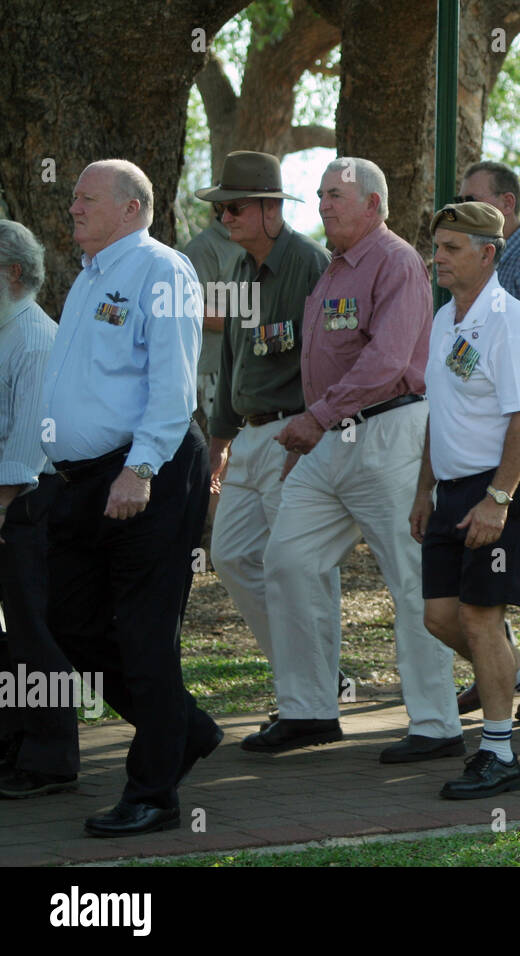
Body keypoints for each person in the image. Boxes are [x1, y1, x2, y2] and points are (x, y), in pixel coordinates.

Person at [240, 157, 461, 763]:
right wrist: (311, 430)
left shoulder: (396, 262)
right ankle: (310, 709)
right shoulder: (332, 271)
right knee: (287, 559)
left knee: (411, 579)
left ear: (374, 204)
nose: (323, 204)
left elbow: (387, 361)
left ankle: (438, 723)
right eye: (319, 194)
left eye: (335, 194)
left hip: (390, 432)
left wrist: (315, 418)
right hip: (330, 439)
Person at [41, 160, 219, 836]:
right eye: (75, 199)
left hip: (151, 469)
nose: (74, 209)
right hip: (84, 479)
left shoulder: (161, 270)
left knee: (144, 634)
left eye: (87, 199)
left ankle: (153, 795)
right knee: (71, 625)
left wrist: (140, 468)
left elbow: (172, 383)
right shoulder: (89, 278)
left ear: (132, 207)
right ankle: (184, 729)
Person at [414, 201, 520, 799]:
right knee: (439, 616)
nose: (438, 257)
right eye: (436, 246)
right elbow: (440, 412)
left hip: (504, 487)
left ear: (488, 254)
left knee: (482, 620)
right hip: (453, 489)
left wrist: (497, 498)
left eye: (452, 247)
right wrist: (423, 488)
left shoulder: (511, 321)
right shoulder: (443, 321)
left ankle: (496, 753)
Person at [196, 151, 334, 716]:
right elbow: (231, 361)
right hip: (247, 436)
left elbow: (332, 357)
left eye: (235, 207)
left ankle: (312, 700)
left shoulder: (310, 264)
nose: (225, 218)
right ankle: (304, 681)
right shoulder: (239, 269)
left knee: (300, 568)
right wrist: (217, 443)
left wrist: (315, 431)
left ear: (271, 209)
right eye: (221, 208)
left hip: (293, 435)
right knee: (230, 557)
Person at [0, 221, 75, 799]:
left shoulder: (35, 339)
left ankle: (50, 759)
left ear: (13, 274)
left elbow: (24, 451)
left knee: (33, 634)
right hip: (10, 507)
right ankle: (14, 744)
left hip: (26, 507)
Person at [457, 161, 520, 326]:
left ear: (507, 203)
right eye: (459, 202)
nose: (462, 210)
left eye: (471, 201)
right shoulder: (473, 257)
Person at [180, 204, 243, 430]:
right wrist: (246, 324)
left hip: (247, 368)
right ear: (220, 206)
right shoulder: (203, 247)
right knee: (220, 451)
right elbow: (190, 308)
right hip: (213, 370)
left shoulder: (252, 244)